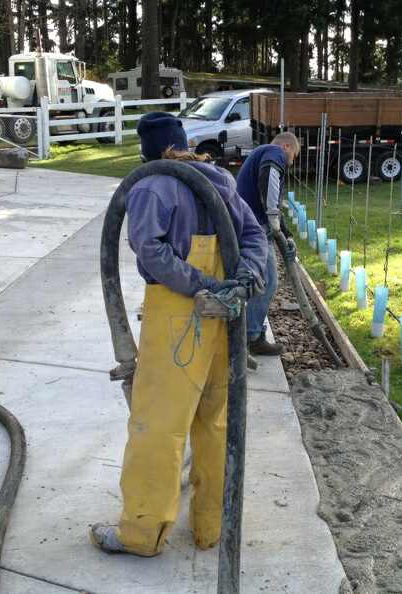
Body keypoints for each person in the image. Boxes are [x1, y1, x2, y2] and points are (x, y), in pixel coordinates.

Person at [90, 111, 267, 557]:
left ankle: (141, 535)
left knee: (158, 427)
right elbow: (253, 235)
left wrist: (203, 286)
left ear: (146, 150)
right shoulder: (219, 179)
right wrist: (239, 280)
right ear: (185, 141)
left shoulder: (151, 185)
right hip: (225, 317)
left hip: (176, 316)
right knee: (215, 421)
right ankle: (213, 527)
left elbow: (150, 253)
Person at [234, 131, 301, 356]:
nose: (292, 162)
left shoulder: (260, 154)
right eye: (295, 155)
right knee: (268, 282)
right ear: (287, 147)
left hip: (251, 225)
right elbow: (270, 175)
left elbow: (273, 205)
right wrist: (273, 217)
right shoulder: (274, 153)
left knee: (262, 282)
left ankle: (248, 333)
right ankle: (251, 337)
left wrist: (286, 234)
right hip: (253, 229)